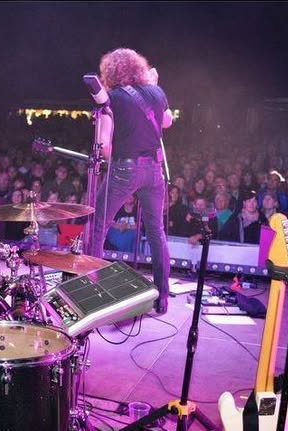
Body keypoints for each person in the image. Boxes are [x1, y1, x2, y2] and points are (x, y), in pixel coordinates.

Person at [89, 48, 174, 314]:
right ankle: (162, 297)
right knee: (156, 231)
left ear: (111, 72)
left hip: (125, 169)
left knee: (97, 226)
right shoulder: (157, 93)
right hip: (154, 170)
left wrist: (117, 160)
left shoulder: (112, 98)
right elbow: (167, 122)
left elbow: (103, 145)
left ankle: (92, 294)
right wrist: (154, 86)